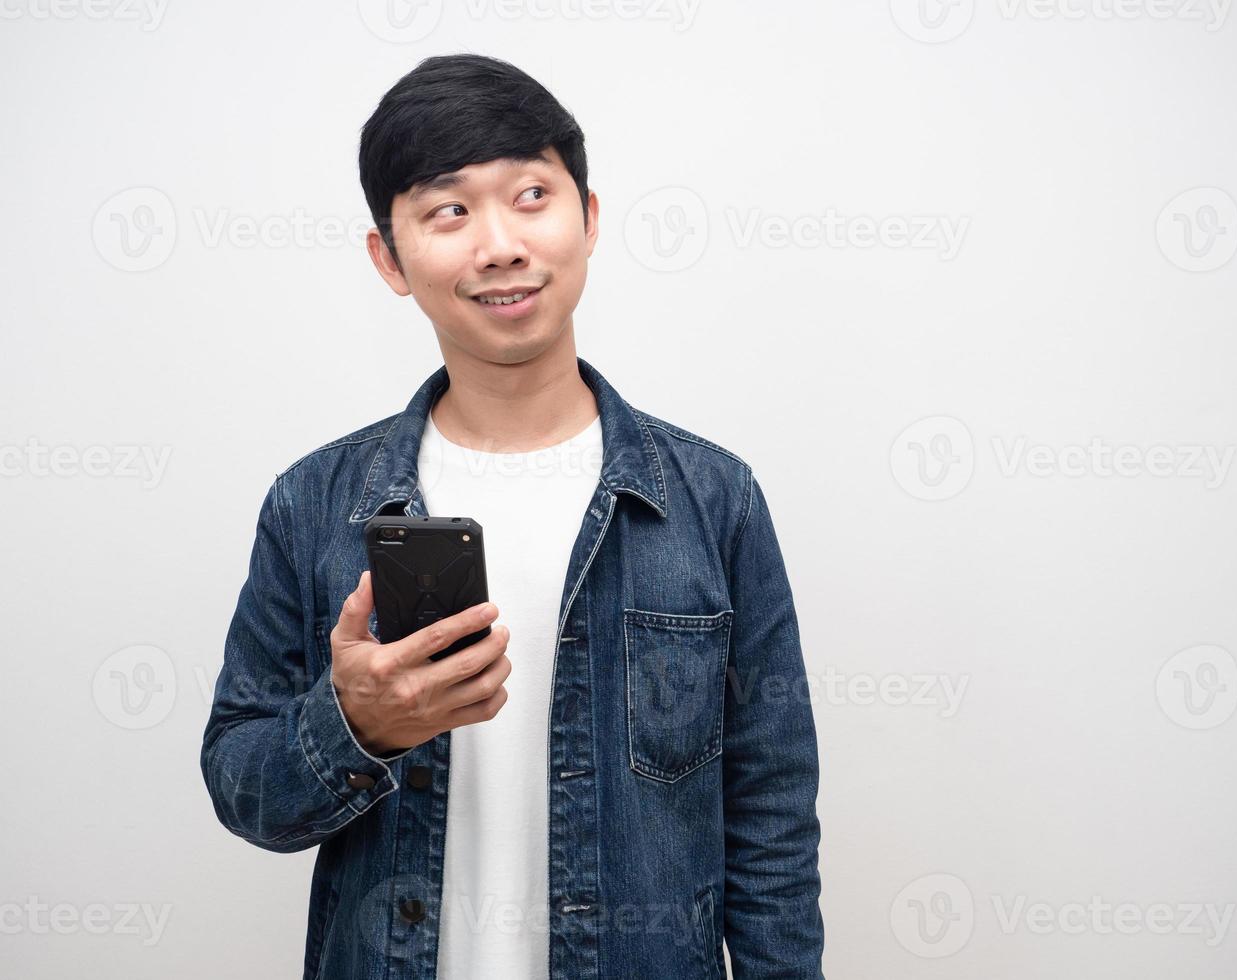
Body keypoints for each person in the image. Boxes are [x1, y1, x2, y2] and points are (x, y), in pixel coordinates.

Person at [199, 53, 824, 980]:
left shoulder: (711, 499)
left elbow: (770, 819)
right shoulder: (315, 504)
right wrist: (353, 723)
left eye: (531, 194)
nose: (498, 243)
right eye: (448, 211)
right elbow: (243, 789)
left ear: (589, 216)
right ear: (389, 257)